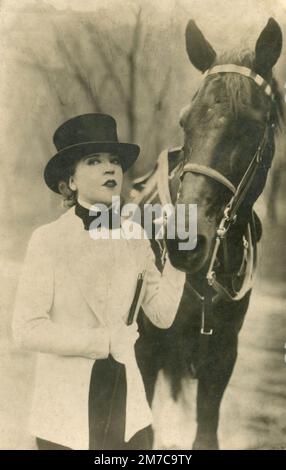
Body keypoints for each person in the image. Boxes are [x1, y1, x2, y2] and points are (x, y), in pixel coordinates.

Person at [12, 113, 186, 450]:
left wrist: (180, 261)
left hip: (128, 407)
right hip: (64, 413)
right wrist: (101, 342)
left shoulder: (135, 235)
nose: (110, 169)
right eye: (94, 161)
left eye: (115, 162)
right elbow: (26, 328)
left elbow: (162, 316)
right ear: (71, 181)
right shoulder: (48, 239)